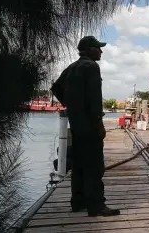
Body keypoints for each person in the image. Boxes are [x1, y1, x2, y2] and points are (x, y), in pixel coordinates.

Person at [51, 36, 120, 217]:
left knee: (79, 164)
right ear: (89, 49)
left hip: (76, 126)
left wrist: (71, 105)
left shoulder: (71, 68)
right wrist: (99, 122)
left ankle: (78, 202)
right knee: (95, 166)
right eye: (98, 48)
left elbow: (56, 88)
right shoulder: (91, 67)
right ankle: (96, 206)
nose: (101, 51)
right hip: (90, 125)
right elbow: (95, 98)